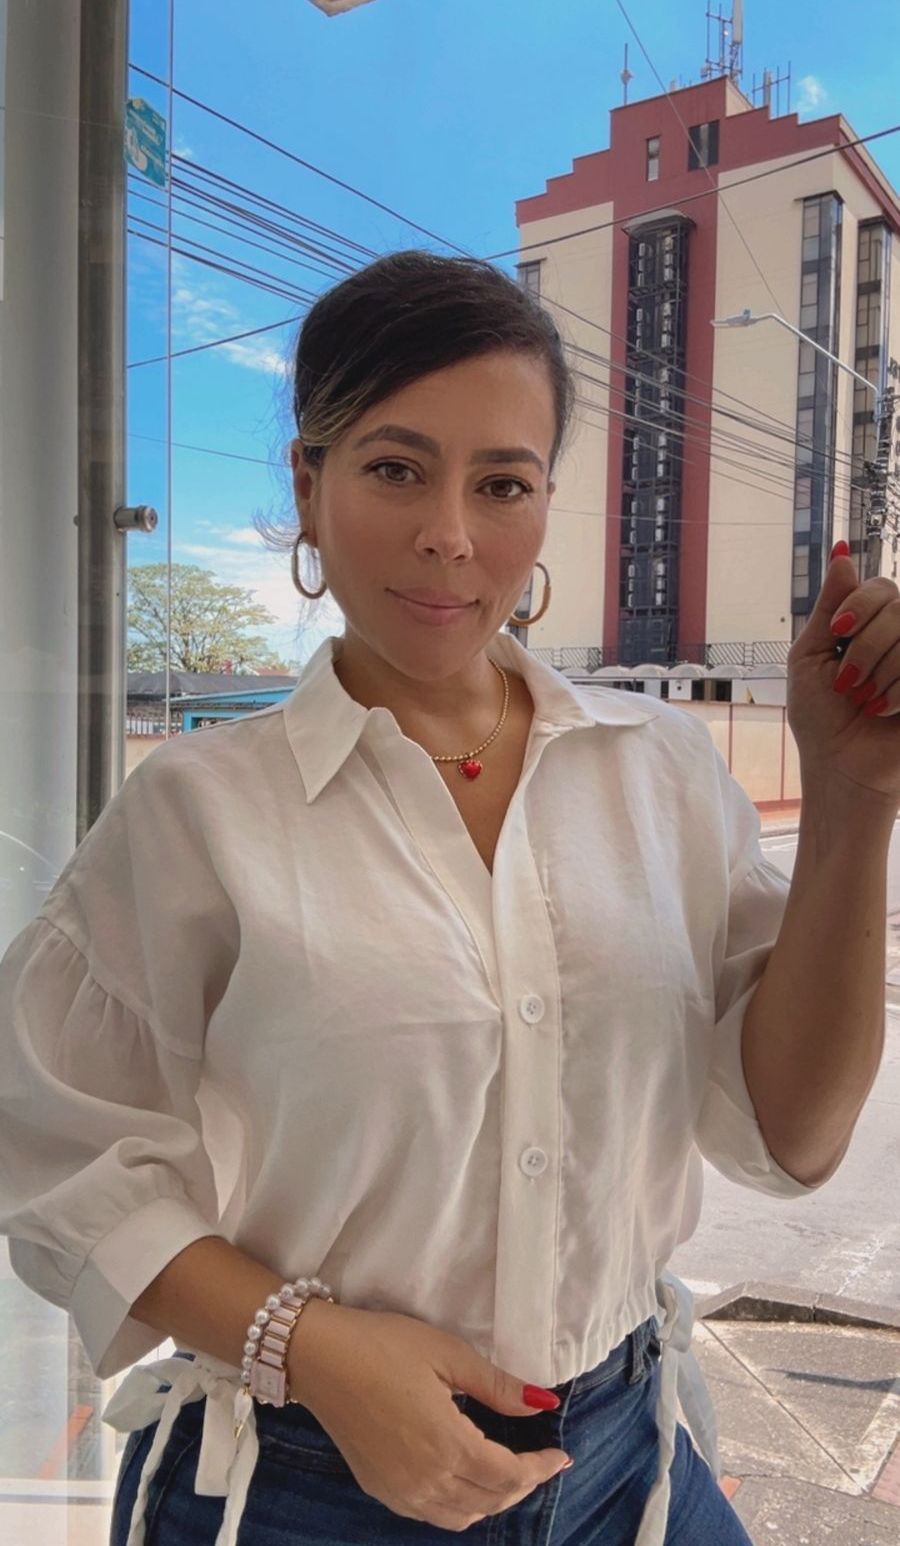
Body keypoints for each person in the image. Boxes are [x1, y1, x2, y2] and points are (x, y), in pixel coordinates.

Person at [0, 251, 897, 1546]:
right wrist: (308, 1348)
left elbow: (794, 1137)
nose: (451, 535)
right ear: (308, 489)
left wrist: (854, 797)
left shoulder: (659, 773)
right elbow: (53, 1149)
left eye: (502, 484)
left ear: (544, 507)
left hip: (628, 1459)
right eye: (395, 468)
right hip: (305, 1482)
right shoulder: (201, 811)